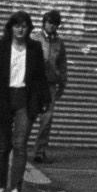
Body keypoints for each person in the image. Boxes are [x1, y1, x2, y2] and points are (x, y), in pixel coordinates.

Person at [0, 11, 46, 192]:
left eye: (24, 25)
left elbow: (40, 77)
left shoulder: (34, 48)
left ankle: (16, 188)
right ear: (11, 27)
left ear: (29, 29)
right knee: (3, 145)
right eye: (17, 25)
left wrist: (42, 100)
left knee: (20, 144)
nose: (20, 29)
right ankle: (0, 186)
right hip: (4, 99)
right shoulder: (1, 46)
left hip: (24, 100)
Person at [31, 9, 68, 162]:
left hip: (50, 85)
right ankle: (16, 147)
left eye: (55, 24)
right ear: (44, 23)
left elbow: (63, 64)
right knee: (27, 116)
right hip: (34, 84)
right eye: (50, 22)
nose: (52, 26)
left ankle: (39, 151)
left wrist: (62, 83)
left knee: (46, 119)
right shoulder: (34, 38)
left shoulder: (59, 43)